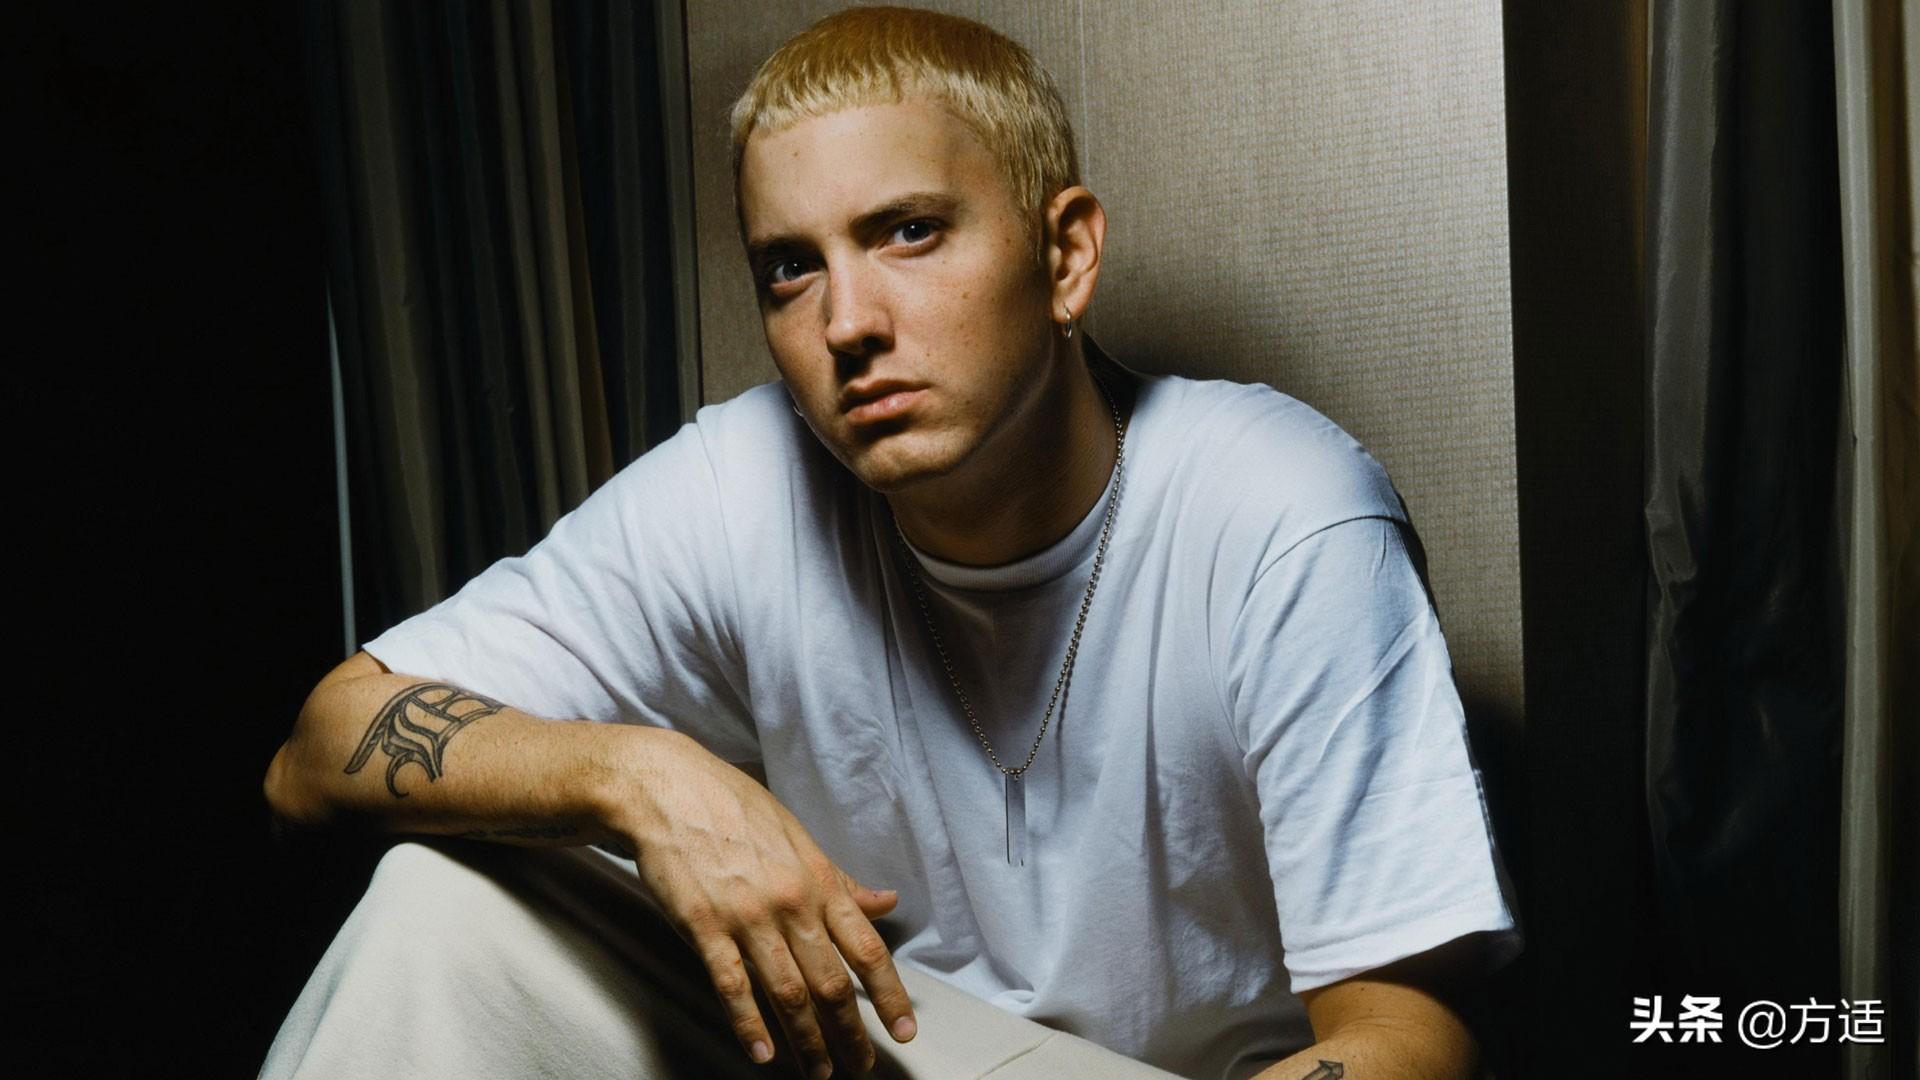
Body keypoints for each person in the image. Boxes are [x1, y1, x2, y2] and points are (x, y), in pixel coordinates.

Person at [261, 7, 1522, 1080]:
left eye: (908, 231)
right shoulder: (743, 483)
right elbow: (315, 753)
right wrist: (637, 777)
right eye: (789, 269)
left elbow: (1412, 1034)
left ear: (1065, 254)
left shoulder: (1281, 511)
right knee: (437, 904)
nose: (848, 322)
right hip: (883, 1049)